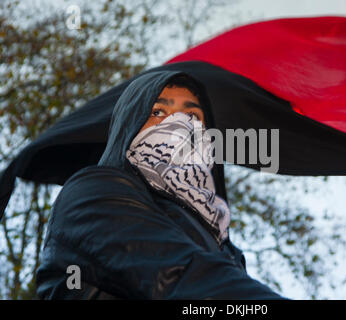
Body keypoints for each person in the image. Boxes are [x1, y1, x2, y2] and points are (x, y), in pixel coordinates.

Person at [35, 71, 287, 299]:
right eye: (158, 112)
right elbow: (179, 275)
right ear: (129, 124)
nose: (178, 125)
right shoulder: (92, 192)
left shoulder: (224, 243)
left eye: (192, 116)